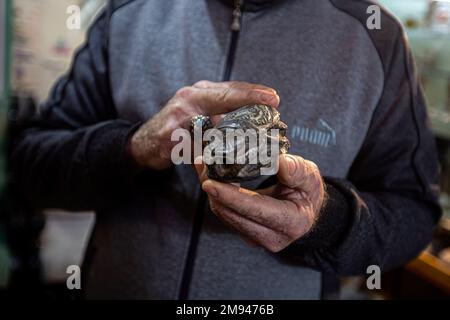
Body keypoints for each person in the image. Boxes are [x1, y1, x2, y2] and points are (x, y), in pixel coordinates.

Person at [11, 0, 442, 299]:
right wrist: (136, 145)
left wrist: (324, 219)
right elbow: (32, 166)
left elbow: (414, 214)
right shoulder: (127, 14)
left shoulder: (375, 38)